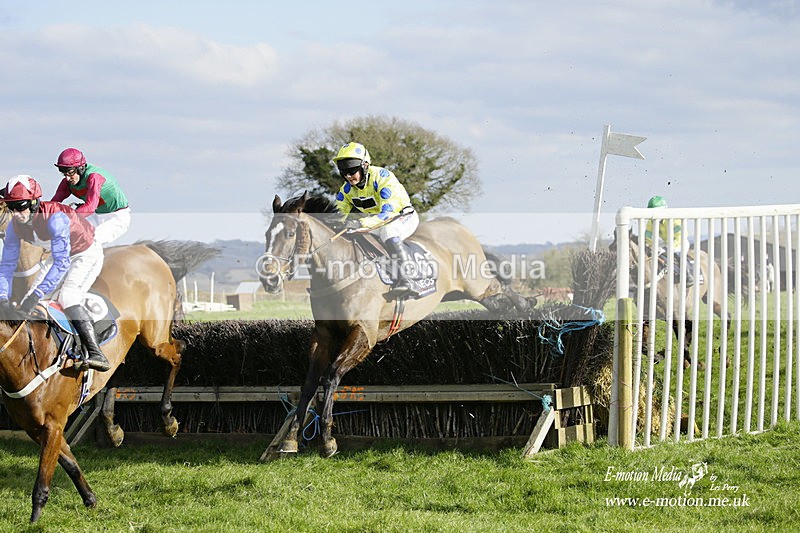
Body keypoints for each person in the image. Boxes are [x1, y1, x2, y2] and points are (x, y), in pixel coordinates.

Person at [0, 175, 110, 371]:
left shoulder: (55, 219)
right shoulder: (14, 227)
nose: (16, 214)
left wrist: (37, 294)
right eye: (11, 207)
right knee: (27, 303)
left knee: (67, 297)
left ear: (34, 202)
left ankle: (96, 353)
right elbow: (7, 264)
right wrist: (2, 297)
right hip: (59, 254)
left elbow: (62, 263)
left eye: (20, 206)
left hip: (85, 253)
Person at [333, 142, 420, 298]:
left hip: (401, 216)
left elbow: (387, 213)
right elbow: (338, 213)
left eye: (352, 170)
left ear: (365, 165)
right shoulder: (346, 190)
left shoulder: (383, 177)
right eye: (344, 171)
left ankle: (409, 279)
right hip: (375, 223)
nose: (348, 176)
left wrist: (360, 223)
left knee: (389, 231)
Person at [52, 148, 130, 247]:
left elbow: (90, 207)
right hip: (96, 216)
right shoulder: (67, 182)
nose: (67, 178)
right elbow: (53, 205)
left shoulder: (94, 177)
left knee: (90, 240)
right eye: (64, 173)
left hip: (116, 217)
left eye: (70, 172)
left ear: (80, 168)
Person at [644, 195, 694, 285]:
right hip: (666, 242)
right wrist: (649, 245)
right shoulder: (651, 222)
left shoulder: (674, 219)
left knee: (678, 253)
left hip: (679, 242)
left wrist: (669, 247)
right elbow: (648, 236)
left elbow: (680, 235)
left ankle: (689, 275)